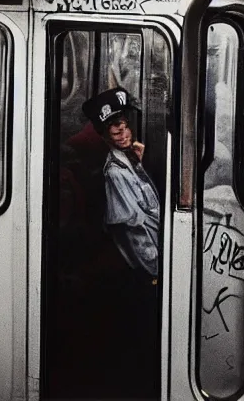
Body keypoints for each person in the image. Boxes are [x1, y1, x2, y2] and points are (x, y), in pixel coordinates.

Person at [80, 88, 161, 398]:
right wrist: (156, 270)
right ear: (103, 134)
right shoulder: (115, 173)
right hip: (143, 273)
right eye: (114, 128)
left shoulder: (129, 163)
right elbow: (133, 233)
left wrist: (139, 162)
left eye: (125, 124)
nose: (123, 131)